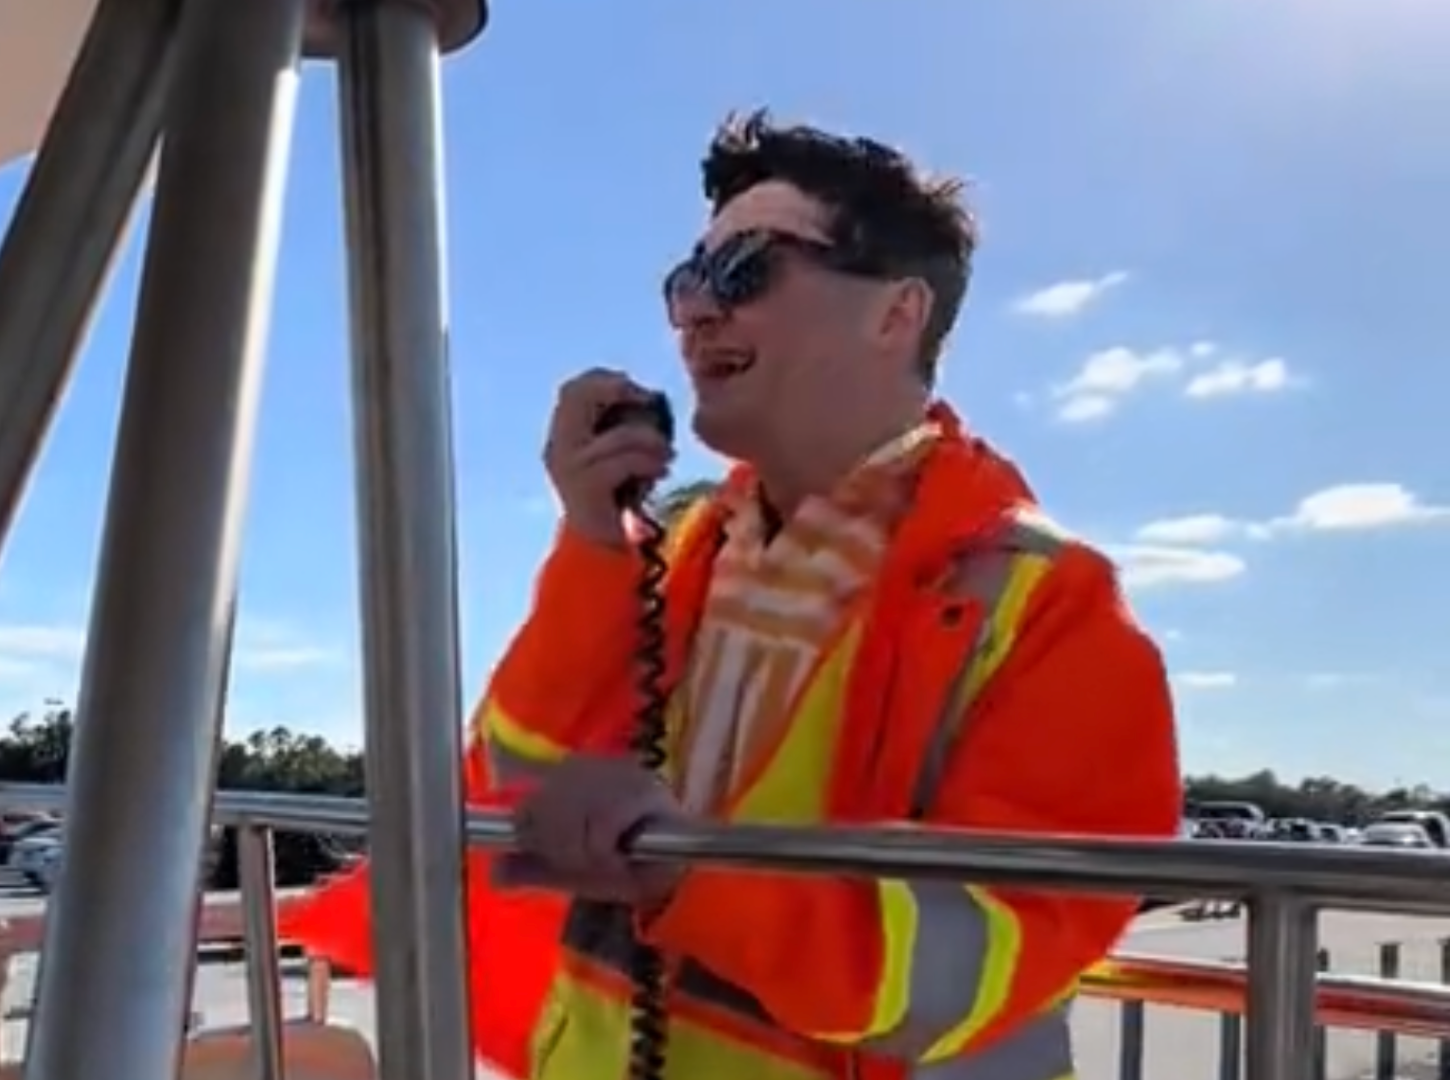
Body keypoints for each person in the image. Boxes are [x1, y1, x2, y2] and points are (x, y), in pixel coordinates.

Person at [287, 112, 1182, 1080]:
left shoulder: (1046, 603)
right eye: (688, 280)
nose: (696, 313)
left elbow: (974, 964)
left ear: (896, 313)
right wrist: (594, 543)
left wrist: (682, 866)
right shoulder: (671, 554)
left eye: (747, 267)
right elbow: (506, 776)